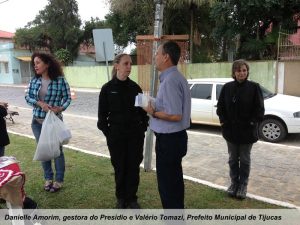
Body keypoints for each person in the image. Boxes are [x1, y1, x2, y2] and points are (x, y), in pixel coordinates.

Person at [143, 41, 191, 209]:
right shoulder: (174, 77)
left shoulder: (170, 80)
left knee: (168, 186)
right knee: (174, 183)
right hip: (174, 139)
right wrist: (155, 104)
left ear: (166, 57)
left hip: (169, 141)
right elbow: (171, 107)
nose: (154, 57)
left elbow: (175, 114)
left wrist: (152, 112)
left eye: (157, 54)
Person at [97, 53, 149, 209]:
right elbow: (101, 117)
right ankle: (121, 198)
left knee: (133, 167)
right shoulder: (107, 89)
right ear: (117, 65)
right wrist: (109, 134)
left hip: (135, 136)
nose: (129, 67)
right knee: (120, 167)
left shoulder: (135, 88)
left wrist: (142, 129)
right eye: (126, 63)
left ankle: (132, 198)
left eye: (130, 64)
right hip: (116, 137)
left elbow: (143, 112)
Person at [217, 59, 265, 199]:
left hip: (247, 132)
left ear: (247, 72)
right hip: (230, 131)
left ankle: (243, 185)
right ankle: (234, 184)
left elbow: (260, 109)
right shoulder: (227, 87)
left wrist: (251, 123)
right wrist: (223, 122)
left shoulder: (254, 87)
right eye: (238, 70)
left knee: (244, 160)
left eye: (244, 70)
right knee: (232, 159)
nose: (242, 73)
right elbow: (220, 107)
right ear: (234, 72)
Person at [25, 52, 72, 193]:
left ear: (47, 64)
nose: (35, 65)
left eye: (38, 62)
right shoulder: (34, 81)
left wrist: (61, 107)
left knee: (57, 151)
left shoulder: (60, 80)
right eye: (34, 63)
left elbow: (68, 98)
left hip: (54, 121)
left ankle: (58, 180)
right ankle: (48, 179)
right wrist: (39, 103)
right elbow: (27, 97)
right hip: (37, 122)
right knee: (43, 151)